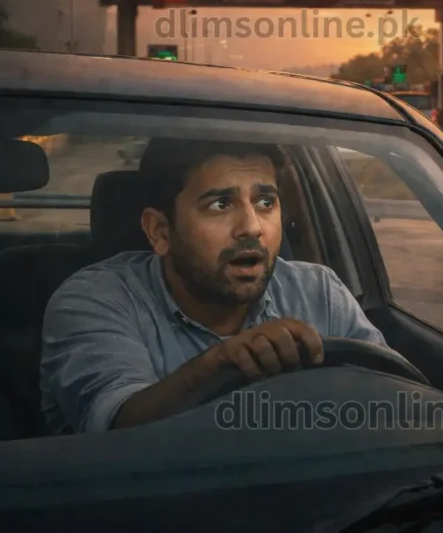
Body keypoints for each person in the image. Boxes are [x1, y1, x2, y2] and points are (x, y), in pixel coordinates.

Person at [40, 138, 393, 434]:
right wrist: (223, 364)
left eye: (265, 202)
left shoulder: (320, 293)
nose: (252, 227)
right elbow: (118, 430)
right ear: (159, 231)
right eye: (221, 204)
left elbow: (394, 405)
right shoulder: (95, 299)